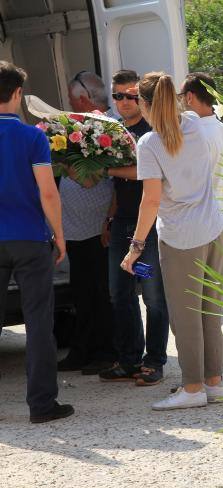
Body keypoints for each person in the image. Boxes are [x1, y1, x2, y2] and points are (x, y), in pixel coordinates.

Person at [120, 71, 223, 410]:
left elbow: (150, 201)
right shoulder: (193, 122)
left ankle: (192, 386)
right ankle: (213, 381)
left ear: (145, 104)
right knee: (210, 310)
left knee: (185, 315)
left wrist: (135, 248)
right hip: (213, 228)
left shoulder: (150, 144)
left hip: (181, 237)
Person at [0, 61, 73, 423]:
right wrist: (59, 235)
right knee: (38, 322)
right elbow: (48, 193)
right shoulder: (32, 137)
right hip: (29, 238)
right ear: (17, 95)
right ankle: (42, 405)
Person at [98, 69, 170, 386]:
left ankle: (154, 361)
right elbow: (117, 186)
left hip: (148, 228)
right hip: (123, 222)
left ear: (140, 98)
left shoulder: (151, 132)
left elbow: (145, 176)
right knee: (119, 293)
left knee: (152, 296)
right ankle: (128, 359)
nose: (124, 102)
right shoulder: (112, 132)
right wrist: (109, 219)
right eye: (118, 96)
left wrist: (109, 168)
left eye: (130, 96)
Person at [179, 72, 223, 378]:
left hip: (209, 215)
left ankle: (212, 364)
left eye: (183, 97)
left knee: (208, 293)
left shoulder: (195, 134)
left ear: (192, 97)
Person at [55, 70, 116, 375]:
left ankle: (105, 351)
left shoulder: (105, 129)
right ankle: (84, 350)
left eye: (71, 98)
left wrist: (61, 158)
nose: (69, 103)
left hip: (97, 228)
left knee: (100, 292)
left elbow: (91, 179)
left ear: (84, 98)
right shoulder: (82, 127)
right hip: (78, 229)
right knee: (83, 292)